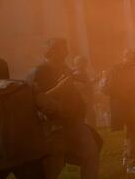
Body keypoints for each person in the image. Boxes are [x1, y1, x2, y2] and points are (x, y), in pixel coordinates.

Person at [28, 38, 101, 179]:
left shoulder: (65, 68)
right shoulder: (39, 71)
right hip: (53, 125)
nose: (67, 52)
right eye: (63, 49)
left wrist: (77, 79)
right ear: (52, 52)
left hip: (74, 122)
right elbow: (35, 101)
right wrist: (59, 89)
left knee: (91, 154)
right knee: (53, 166)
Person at [103, 49, 135, 174]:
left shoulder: (116, 69)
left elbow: (106, 88)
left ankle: (127, 158)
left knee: (131, 131)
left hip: (119, 105)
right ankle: (131, 164)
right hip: (128, 105)